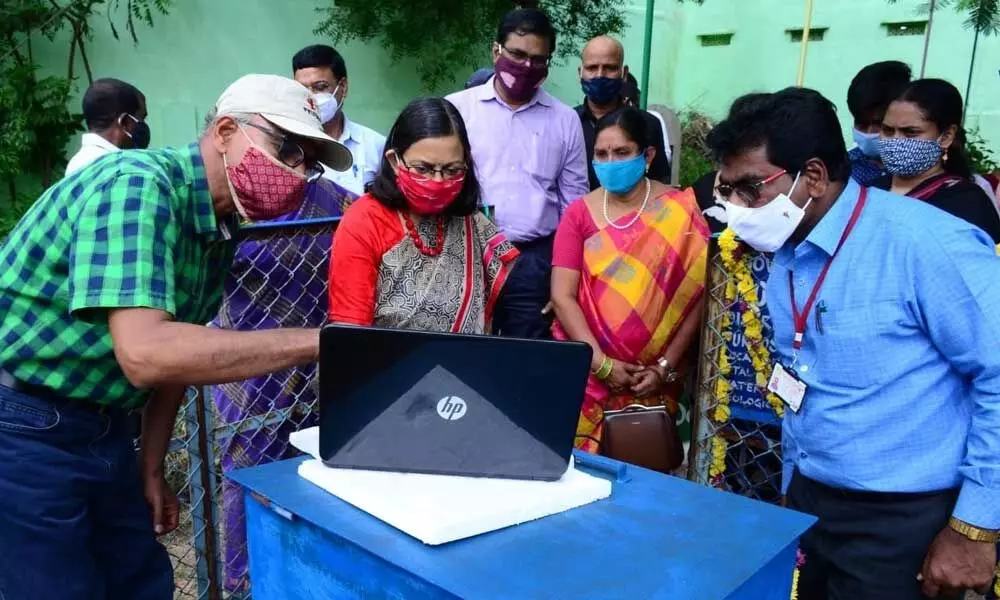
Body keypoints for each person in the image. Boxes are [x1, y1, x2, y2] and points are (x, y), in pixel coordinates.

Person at [0, 73, 352, 600]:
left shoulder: (215, 226)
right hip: (22, 424)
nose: (297, 173)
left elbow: (178, 360)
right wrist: (323, 341)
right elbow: (149, 353)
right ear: (227, 129)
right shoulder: (135, 184)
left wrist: (149, 467)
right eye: (287, 148)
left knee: (142, 584)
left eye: (310, 161)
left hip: (104, 427)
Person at [709, 86, 1000, 599]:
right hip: (813, 505)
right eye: (725, 189)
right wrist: (793, 491)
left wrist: (973, 530)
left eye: (750, 188)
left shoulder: (927, 245)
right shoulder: (788, 253)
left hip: (903, 521)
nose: (736, 207)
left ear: (813, 177)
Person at [209, 171, 353, 593]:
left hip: (320, 361)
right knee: (249, 474)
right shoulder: (232, 202)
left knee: (318, 470)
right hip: (248, 366)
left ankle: (311, 576)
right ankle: (245, 582)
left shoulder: (333, 200)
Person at [551, 107, 708, 452]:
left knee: (645, 470)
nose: (610, 162)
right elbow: (563, 296)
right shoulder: (579, 213)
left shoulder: (679, 211)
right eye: (601, 154)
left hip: (653, 379)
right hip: (590, 374)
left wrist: (665, 366)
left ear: (648, 155)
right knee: (583, 474)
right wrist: (602, 364)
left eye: (622, 153)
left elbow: (696, 298)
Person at [446, 8, 589, 339]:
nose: (526, 67)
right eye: (517, 54)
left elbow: (574, 207)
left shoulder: (565, 120)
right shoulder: (456, 110)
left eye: (538, 60)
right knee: (463, 351)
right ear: (496, 50)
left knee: (523, 356)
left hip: (533, 260)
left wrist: (564, 284)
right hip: (466, 252)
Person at [328, 97, 518, 332]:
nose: (438, 181)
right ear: (394, 161)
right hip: (383, 363)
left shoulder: (470, 222)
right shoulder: (365, 221)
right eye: (423, 169)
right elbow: (351, 329)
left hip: (460, 363)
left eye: (452, 170)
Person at [874, 78, 1000, 243]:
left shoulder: (967, 203)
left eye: (911, 132)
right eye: (888, 131)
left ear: (946, 136)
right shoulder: (870, 190)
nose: (895, 141)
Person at [575, 35, 670, 191]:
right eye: (592, 68)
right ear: (580, 73)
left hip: (636, 213)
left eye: (610, 68)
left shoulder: (647, 124)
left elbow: (659, 186)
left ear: (624, 73)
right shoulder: (567, 123)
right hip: (578, 213)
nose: (600, 75)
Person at [293, 44, 386, 196]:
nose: (310, 98)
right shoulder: (288, 149)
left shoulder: (374, 145)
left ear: (343, 87)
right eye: (302, 89)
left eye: (320, 87)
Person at [845, 61, 912, 186]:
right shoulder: (843, 168)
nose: (869, 133)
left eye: (880, 124)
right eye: (862, 123)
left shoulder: (918, 170)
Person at [65, 77, 150, 175]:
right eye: (141, 119)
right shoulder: (118, 170)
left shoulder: (78, 162)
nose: (143, 125)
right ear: (124, 122)